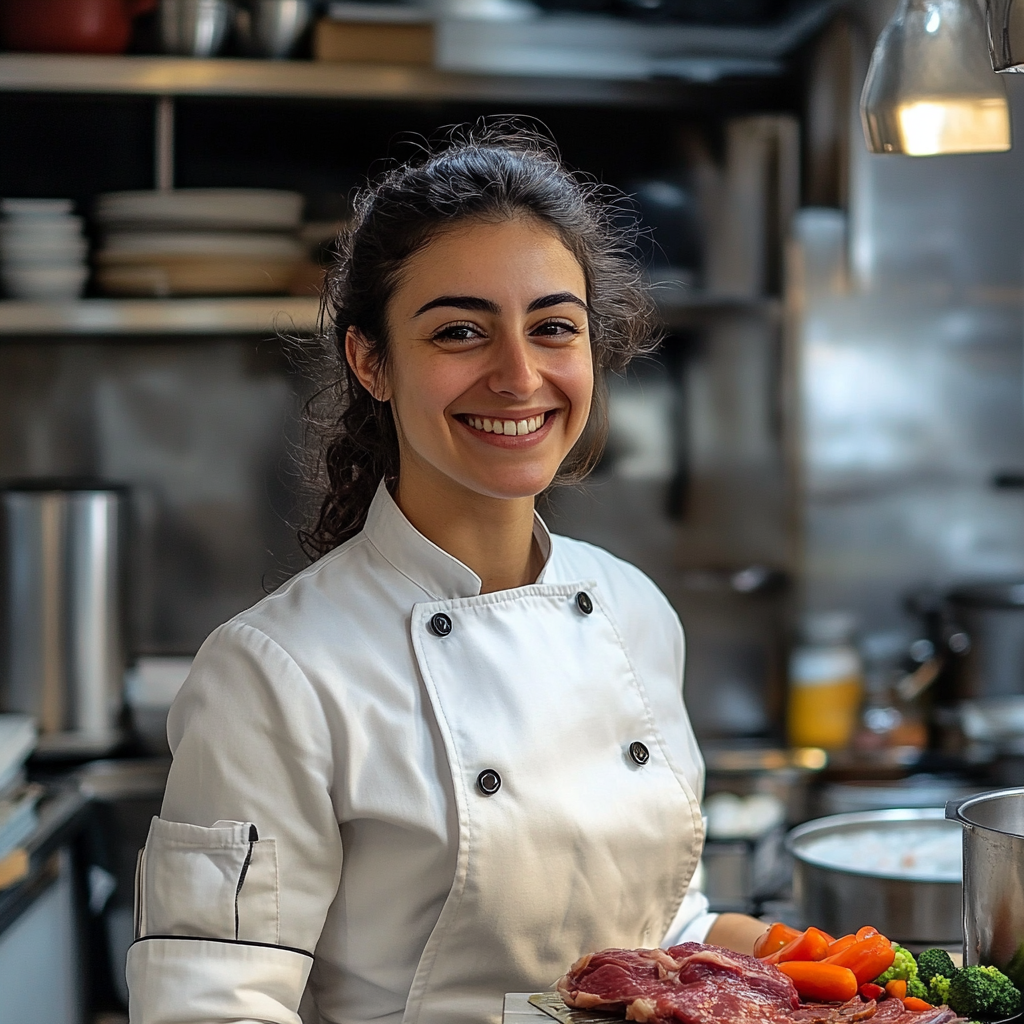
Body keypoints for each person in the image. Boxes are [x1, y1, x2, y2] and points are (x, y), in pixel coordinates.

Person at [126, 123, 768, 1024]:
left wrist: (850, 967)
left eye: (553, 328)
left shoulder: (634, 612)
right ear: (370, 361)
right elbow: (211, 1004)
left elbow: (662, 937)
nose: (519, 375)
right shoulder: (274, 672)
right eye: (461, 332)